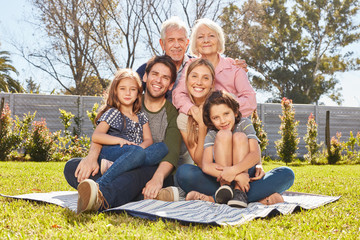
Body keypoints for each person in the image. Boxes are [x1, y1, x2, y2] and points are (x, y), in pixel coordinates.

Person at [63, 55, 181, 213]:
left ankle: (100, 197)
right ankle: (147, 196)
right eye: (155, 74)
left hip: (150, 170)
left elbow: (169, 151)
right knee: (72, 167)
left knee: (150, 158)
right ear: (145, 77)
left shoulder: (169, 113)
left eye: (165, 77)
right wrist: (91, 158)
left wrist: (156, 176)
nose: (159, 80)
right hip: (117, 156)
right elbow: (98, 137)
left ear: (171, 85)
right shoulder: (124, 105)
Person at [172, 18, 257, 118]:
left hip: (227, 120)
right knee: (183, 118)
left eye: (211, 36)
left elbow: (250, 99)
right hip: (199, 117)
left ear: (219, 40)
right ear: (195, 43)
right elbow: (178, 94)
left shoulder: (234, 67)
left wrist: (223, 108)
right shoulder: (190, 65)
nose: (206, 40)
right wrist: (191, 108)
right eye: (200, 37)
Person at [200, 90, 261, 208]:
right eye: (216, 117)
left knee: (239, 136)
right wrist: (237, 176)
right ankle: (226, 188)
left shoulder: (245, 123)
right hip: (225, 178)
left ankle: (239, 191)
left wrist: (233, 171)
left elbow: (255, 154)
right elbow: (206, 165)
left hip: (246, 170)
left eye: (226, 114)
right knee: (223, 134)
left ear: (235, 112)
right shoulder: (212, 133)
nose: (222, 121)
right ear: (211, 120)